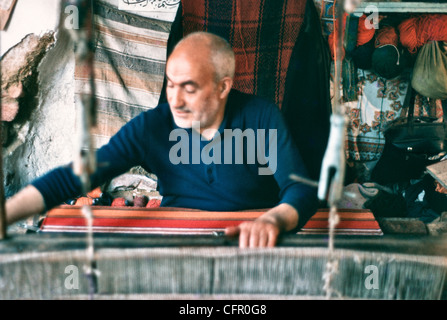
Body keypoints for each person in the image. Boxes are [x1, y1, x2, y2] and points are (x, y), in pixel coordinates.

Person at [5, 32, 318, 248]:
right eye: (170, 84)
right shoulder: (153, 126)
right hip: (177, 240)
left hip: (249, 243)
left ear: (223, 88)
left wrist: (273, 221)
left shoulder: (261, 116)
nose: (176, 100)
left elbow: (299, 188)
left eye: (189, 87)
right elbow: (80, 174)